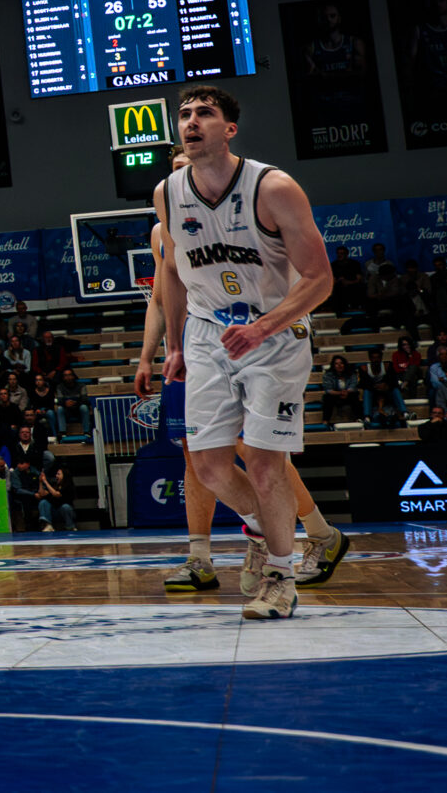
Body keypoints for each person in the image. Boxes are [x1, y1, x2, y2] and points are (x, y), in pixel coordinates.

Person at [146, 85, 332, 621]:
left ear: (229, 129)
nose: (191, 122)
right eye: (184, 114)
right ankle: (263, 528)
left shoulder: (273, 187)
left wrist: (262, 327)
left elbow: (319, 279)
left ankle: (280, 576)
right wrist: (175, 345)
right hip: (207, 334)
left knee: (264, 459)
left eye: (205, 113)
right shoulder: (167, 193)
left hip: (274, 332)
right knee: (206, 465)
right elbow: (172, 273)